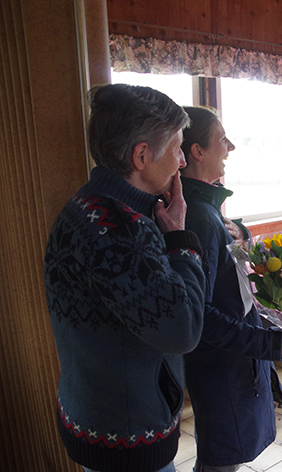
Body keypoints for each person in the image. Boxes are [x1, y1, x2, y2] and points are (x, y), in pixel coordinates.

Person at [44, 84, 206, 472]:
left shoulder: (83, 204)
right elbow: (183, 330)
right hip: (126, 440)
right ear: (141, 156)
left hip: (90, 416)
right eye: (176, 148)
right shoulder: (122, 230)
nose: (182, 161)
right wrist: (181, 238)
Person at [179, 106, 282, 472]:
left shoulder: (206, 208)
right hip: (221, 363)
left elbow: (225, 267)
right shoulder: (197, 215)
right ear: (197, 151)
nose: (232, 146)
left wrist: (242, 233)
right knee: (221, 459)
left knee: (229, 455)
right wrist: (274, 344)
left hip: (235, 357)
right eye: (222, 138)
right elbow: (201, 316)